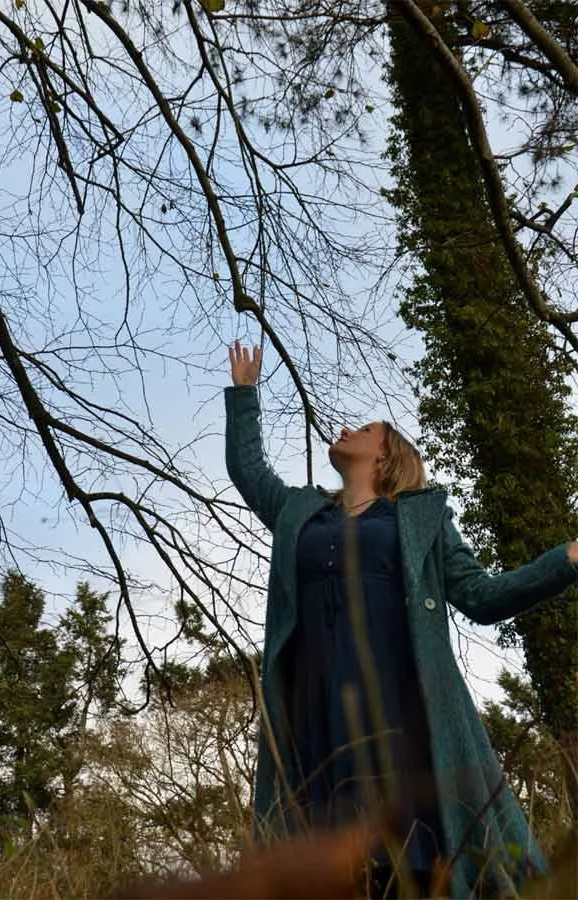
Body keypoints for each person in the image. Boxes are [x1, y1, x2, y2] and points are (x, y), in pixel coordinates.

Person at [225, 340, 578, 899]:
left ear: (387, 456)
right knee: (332, 856)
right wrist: (245, 394)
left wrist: (567, 560)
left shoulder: (419, 519)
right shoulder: (298, 512)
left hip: (399, 700)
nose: (348, 429)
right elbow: (249, 471)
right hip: (315, 705)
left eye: (366, 429)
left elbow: (483, 596)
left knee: (412, 850)